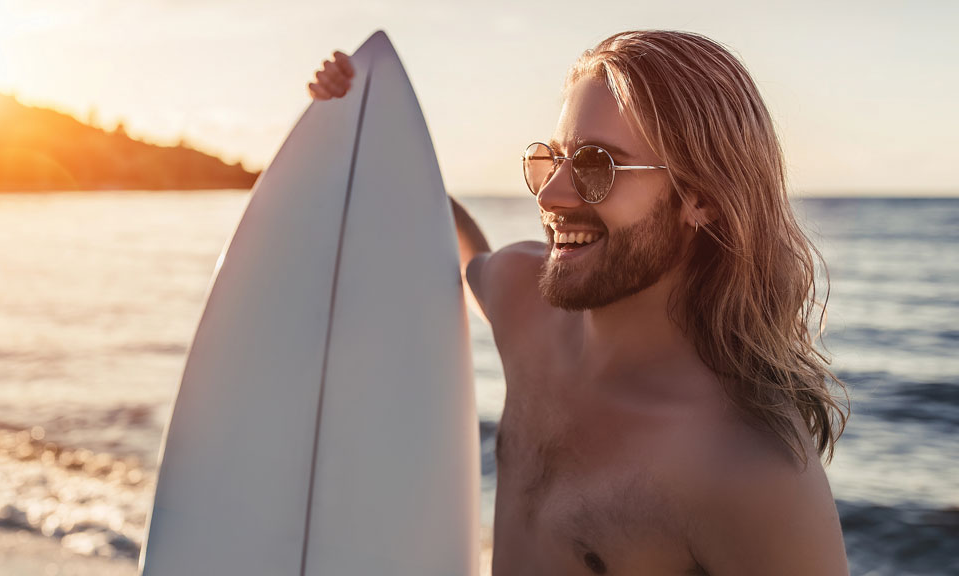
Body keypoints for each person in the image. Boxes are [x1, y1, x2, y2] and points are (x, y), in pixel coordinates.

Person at [309, 30, 850, 575]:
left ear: (702, 199)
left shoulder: (746, 471)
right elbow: (469, 254)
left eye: (597, 166)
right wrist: (357, 123)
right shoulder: (524, 299)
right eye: (553, 159)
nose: (550, 196)